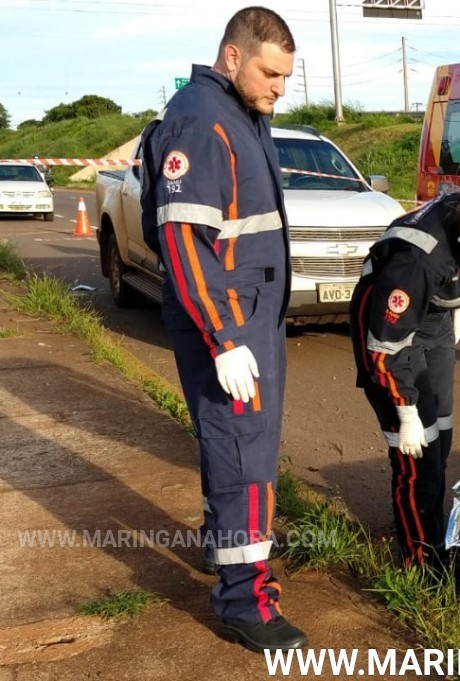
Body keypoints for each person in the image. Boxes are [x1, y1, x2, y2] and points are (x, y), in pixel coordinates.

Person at [139, 7, 306, 651]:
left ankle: (228, 550)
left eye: (287, 77)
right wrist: (224, 338)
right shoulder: (202, 121)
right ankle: (246, 601)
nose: (279, 88)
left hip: (249, 316)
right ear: (232, 58)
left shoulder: (241, 114)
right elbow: (183, 240)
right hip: (231, 324)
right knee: (245, 456)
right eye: (270, 73)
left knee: (238, 450)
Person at [350, 165, 460, 570]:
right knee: (418, 457)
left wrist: (458, 310)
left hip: (436, 322)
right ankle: (418, 559)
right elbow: (384, 347)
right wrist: (405, 409)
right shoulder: (418, 259)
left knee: (441, 439)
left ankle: (433, 527)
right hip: (392, 333)